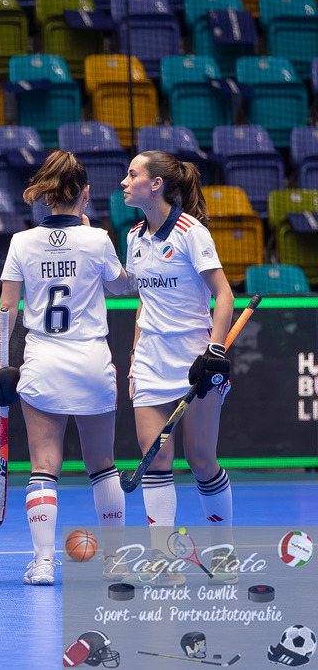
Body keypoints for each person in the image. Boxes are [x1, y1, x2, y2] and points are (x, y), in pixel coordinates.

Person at [0, 150, 129, 586]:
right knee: (102, 464)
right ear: (85, 194)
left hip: (43, 360)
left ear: (45, 196)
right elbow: (122, 287)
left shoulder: (21, 242)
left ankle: (44, 563)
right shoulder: (98, 239)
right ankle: (116, 562)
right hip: (90, 358)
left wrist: (0, 363)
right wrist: (93, 240)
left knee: (44, 465)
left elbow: (5, 310)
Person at [121, 151, 236, 584]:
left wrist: (216, 350)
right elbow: (142, 304)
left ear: (155, 185)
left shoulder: (192, 233)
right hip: (150, 361)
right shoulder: (133, 236)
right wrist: (134, 358)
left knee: (202, 460)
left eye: (133, 174)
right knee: (156, 460)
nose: (124, 181)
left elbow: (223, 295)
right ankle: (165, 560)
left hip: (197, 362)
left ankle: (224, 554)